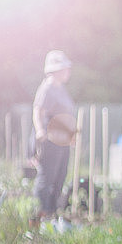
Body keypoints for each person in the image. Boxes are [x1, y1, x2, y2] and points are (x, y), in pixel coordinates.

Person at [32, 50, 75, 218]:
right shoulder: (48, 87)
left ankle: (52, 213)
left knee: (60, 176)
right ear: (56, 70)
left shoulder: (61, 88)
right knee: (47, 178)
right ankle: (40, 215)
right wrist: (39, 130)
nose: (68, 72)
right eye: (65, 68)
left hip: (62, 140)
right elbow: (38, 110)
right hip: (50, 139)